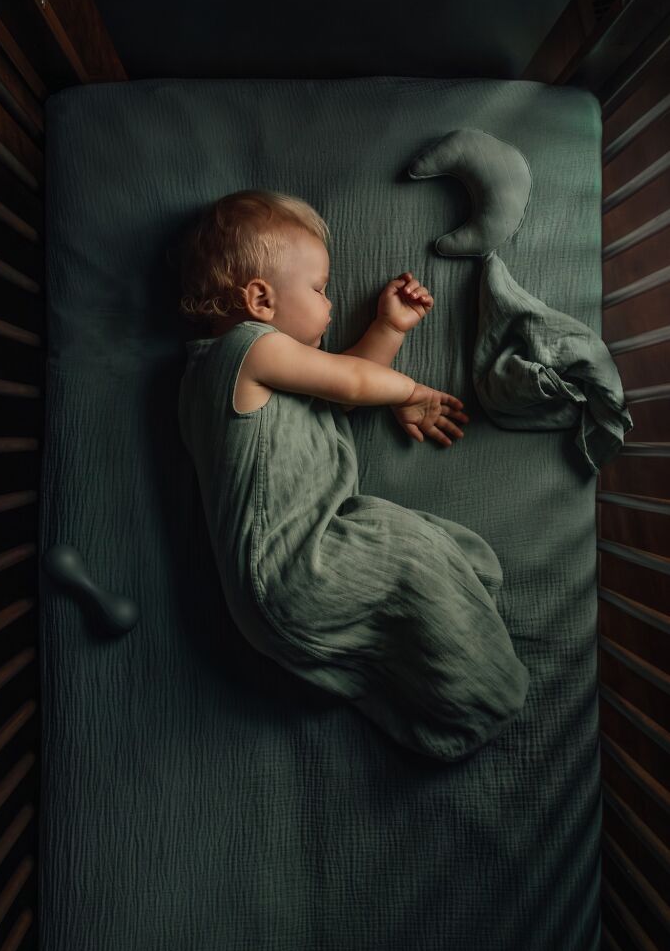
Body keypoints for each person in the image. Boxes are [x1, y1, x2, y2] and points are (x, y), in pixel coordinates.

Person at [176, 189, 529, 761]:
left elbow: (341, 385)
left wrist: (390, 328)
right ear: (261, 300)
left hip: (293, 575)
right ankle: (483, 698)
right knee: (407, 553)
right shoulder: (246, 350)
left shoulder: (234, 375)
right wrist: (411, 392)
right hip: (294, 567)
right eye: (318, 290)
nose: (331, 303)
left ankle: (442, 636)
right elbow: (353, 385)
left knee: (420, 547)